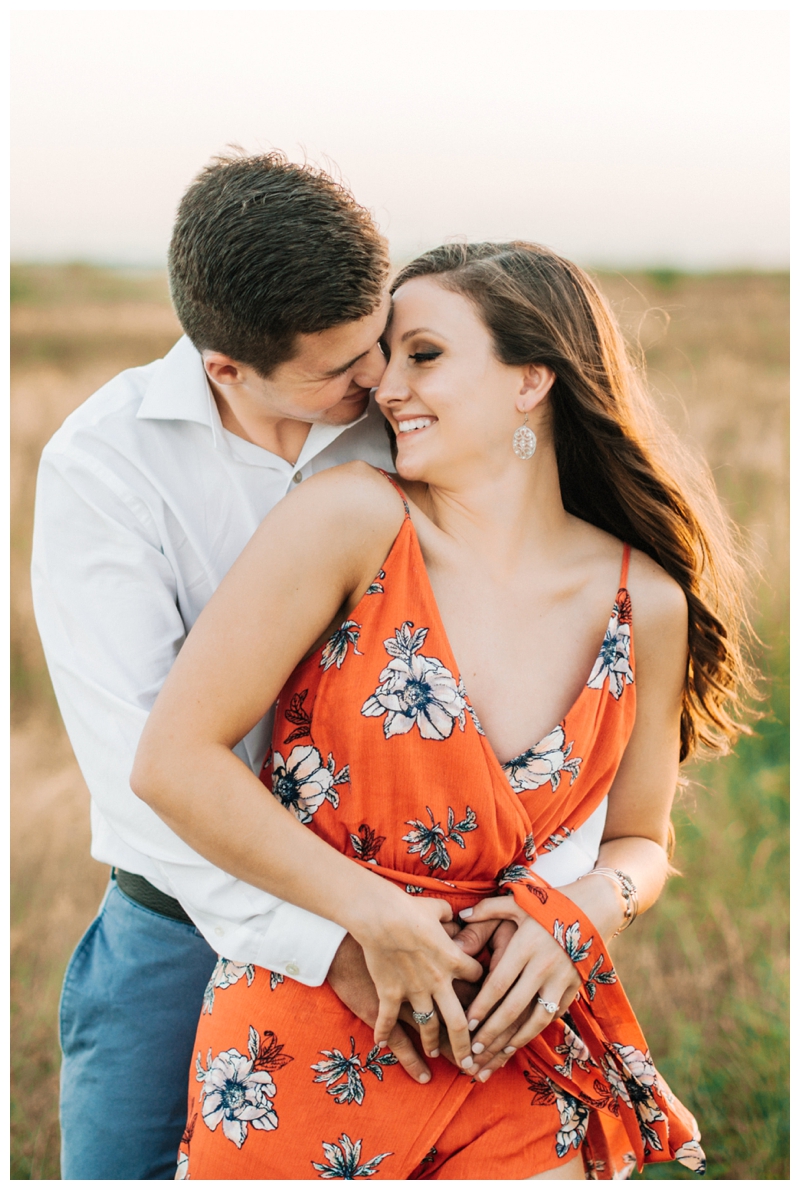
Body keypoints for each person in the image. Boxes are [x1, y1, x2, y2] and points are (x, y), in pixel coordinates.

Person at [133, 242, 752, 1178]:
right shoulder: (352, 520)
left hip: (514, 1037)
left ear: (531, 378)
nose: (386, 384)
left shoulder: (645, 604)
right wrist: (374, 919)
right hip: (306, 1030)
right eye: (385, 355)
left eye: (423, 353)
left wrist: (579, 914)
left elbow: (641, 842)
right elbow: (174, 761)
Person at [31, 149, 434, 1181]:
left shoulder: (402, 434)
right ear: (225, 367)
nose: (377, 379)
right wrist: (333, 935)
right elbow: (144, 761)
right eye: (340, 367)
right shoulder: (105, 463)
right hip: (180, 928)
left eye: (377, 341)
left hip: (407, 905)